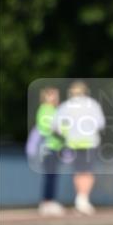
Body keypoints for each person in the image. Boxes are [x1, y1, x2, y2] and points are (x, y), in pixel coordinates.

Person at [53, 81, 105, 215]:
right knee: (87, 171)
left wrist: (67, 133)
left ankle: (80, 199)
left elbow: (56, 126)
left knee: (78, 171)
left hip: (73, 142)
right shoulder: (93, 104)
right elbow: (100, 123)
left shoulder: (65, 106)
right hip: (90, 142)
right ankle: (83, 199)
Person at [33, 86, 65, 216]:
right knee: (49, 175)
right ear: (45, 97)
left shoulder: (54, 110)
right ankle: (47, 202)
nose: (55, 97)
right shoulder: (46, 109)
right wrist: (60, 131)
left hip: (55, 147)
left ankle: (50, 200)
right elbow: (46, 127)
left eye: (55, 95)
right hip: (48, 147)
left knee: (52, 175)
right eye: (51, 95)